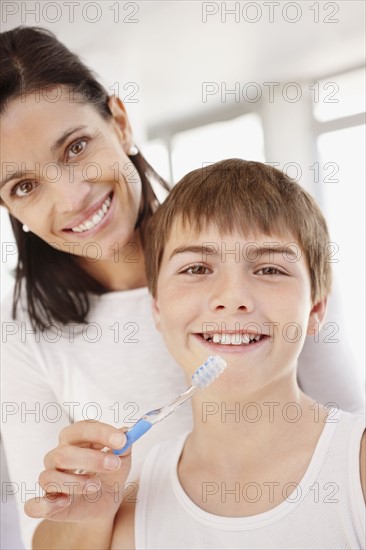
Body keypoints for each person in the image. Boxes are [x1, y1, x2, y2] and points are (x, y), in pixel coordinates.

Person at [0, 26, 363, 550]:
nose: (72, 198)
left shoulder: (259, 249)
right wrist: (91, 510)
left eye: (77, 147)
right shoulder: (21, 332)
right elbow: (51, 538)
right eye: (25, 186)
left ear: (119, 122)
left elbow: (346, 435)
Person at [112, 159, 365, 549]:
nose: (232, 299)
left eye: (269, 270)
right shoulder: (132, 501)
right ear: (157, 308)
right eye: (196, 268)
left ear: (315, 310)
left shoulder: (358, 470)